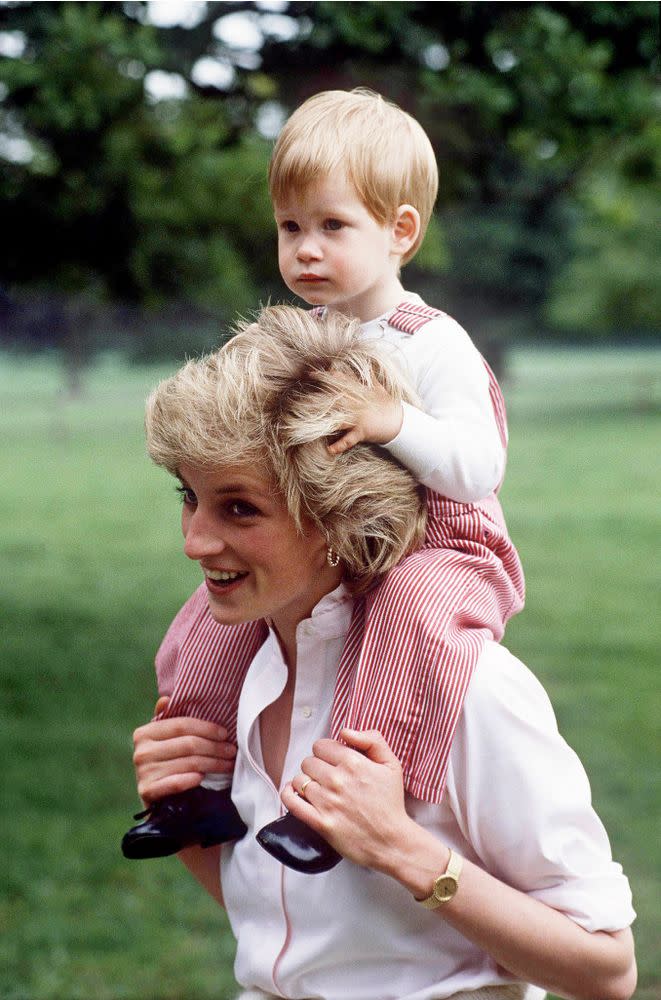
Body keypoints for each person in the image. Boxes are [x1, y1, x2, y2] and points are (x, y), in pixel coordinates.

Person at [130, 305, 636, 1000]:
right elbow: (298, 938)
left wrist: (402, 849)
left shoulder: (467, 689)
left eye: (239, 508)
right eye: (190, 497)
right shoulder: (241, 666)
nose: (195, 540)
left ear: (337, 515)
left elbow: (606, 969)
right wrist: (185, 814)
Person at [122, 87, 525, 868]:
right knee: (204, 622)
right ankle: (194, 786)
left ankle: (337, 801)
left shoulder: (428, 340)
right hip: (328, 534)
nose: (305, 249)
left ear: (399, 230)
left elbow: (478, 469)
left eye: (332, 226)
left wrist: (391, 423)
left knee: (409, 614)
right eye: (290, 227)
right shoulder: (301, 331)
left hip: (442, 545)